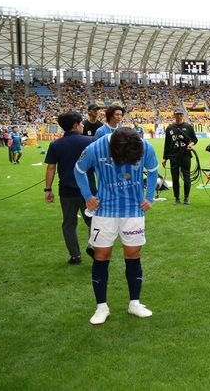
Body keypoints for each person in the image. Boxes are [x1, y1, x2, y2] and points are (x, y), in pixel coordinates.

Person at [74, 127, 159, 325]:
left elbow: (154, 171)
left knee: (133, 254)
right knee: (101, 256)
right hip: (105, 212)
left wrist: (149, 196)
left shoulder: (144, 146)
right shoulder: (96, 148)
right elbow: (78, 170)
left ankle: (134, 303)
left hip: (133, 211)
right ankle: (101, 307)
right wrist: (88, 196)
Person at [44, 111, 96, 264]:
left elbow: (51, 168)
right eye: (81, 123)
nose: (82, 126)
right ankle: (94, 247)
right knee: (94, 221)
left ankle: (75, 255)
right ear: (75, 125)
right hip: (88, 191)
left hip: (66, 190)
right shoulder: (91, 141)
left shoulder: (56, 144)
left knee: (69, 223)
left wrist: (48, 190)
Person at [162, 107, 198, 205]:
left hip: (185, 156)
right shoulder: (169, 128)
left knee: (187, 177)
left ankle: (186, 197)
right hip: (173, 157)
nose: (179, 116)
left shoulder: (188, 126)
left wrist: (191, 145)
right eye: (177, 114)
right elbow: (167, 144)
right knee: (175, 178)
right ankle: (176, 198)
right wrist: (165, 158)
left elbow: (195, 139)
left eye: (181, 114)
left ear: (183, 115)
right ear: (174, 115)